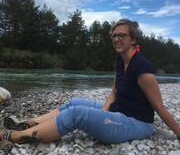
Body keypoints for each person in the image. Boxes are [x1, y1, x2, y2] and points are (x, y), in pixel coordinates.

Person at [0, 19, 180, 144]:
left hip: (137, 124)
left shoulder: (142, 68)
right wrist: (103, 115)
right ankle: (32, 122)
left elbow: (159, 107)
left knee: (76, 114)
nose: (117, 39)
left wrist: (178, 132)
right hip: (119, 111)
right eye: (114, 35)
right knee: (75, 102)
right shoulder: (121, 59)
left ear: (133, 39)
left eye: (122, 35)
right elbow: (113, 92)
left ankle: (17, 136)